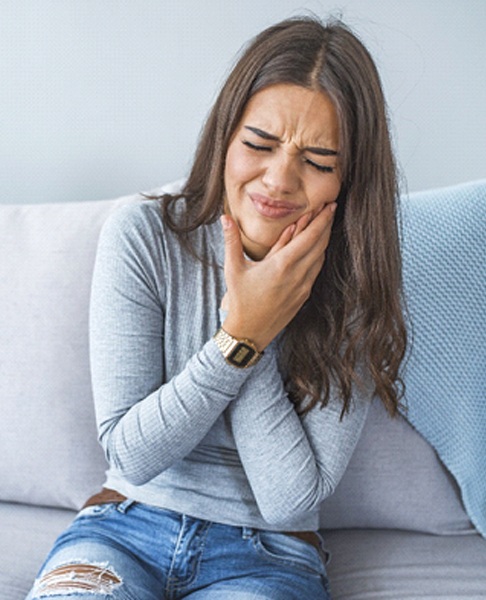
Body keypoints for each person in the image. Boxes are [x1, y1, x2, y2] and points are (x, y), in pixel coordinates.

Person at [27, 15, 407, 600]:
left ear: (348, 181)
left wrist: (257, 319)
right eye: (259, 144)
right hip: (123, 528)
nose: (279, 179)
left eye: (318, 161)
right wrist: (241, 335)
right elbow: (131, 453)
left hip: (271, 555)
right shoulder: (143, 235)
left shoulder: (356, 282)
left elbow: (290, 502)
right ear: (225, 137)